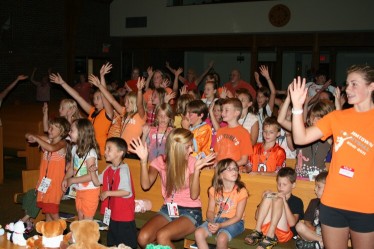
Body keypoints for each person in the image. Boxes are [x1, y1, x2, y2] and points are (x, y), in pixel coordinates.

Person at [289, 65, 374, 249]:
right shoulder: (337, 117)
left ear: (371, 86)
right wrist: (297, 107)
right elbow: (300, 137)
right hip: (333, 202)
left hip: (366, 204)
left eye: (354, 84)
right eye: (347, 84)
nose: (347, 89)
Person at [129, 128, 216, 249]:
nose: (191, 150)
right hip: (168, 209)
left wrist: (196, 171)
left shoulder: (192, 162)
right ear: (176, 148)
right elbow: (145, 185)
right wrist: (143, 161)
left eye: (191, 146)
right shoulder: (160, 161)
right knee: (143, 238)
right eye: (188, 147)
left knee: (162, 236)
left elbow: (194, 195)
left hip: (190, 212)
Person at [49, 63, 113, 155]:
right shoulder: (92, 111)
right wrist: (62, 83)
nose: (95, 100)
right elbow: (78, 97)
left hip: (101, 152)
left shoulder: (108, 113)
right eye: (94, 98)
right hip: (88, 149)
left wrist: (101, 78)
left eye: (98, 98)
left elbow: (105, 95)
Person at [89, 137, 137, 248]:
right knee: (112, 243)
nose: (105, 152)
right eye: (105, 149)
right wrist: (92, 172)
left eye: (109, 149)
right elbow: (97, 182)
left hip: (124, 216)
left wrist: (107, 193)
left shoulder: (124, 169)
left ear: (120, 153)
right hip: (113, 214)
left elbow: (126, 191)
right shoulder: (109, 168)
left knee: (126, 245)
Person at [194, 158, 248, 249]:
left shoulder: (241, 191)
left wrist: (220, 225)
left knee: (221, 238)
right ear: (221, 175)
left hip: (235, 222)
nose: (234, 171)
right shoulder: (213, 190)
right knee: (198, 233)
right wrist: (211, 222)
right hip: (217, 219)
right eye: (229, 169)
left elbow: (238, 217)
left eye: (235, 168)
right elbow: (210, 211)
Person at [244, 167, 304, 249]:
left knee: (278, 200)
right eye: (279, 184)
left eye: (284, 184)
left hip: (283, 234)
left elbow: (292, 223)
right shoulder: (273, 196)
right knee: (269, 195)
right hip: (265, 230)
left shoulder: (297, 201)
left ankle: (270, 236)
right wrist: (263, 199)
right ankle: (257, 231)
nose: (281, 187)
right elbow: (257, 217)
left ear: (293, 185)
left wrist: (284, 202)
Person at [89, 71, 146, 155]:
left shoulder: (140, 115)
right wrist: (99, 85)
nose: (125, 104)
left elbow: (140, 104)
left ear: (134, 103)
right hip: (121, 151)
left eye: (128, 102)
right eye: (125, 101)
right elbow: (111, 100)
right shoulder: (124, 112)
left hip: (132, 152)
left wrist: (140, 90)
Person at [25, 117, 70, 221]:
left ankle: (63, 233)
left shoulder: (63, 144)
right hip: (44, 183)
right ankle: (48, 235)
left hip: (55, 184)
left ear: (61, 131)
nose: (49, 130)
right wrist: (32, 137)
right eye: (49, 127)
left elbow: (52, 148)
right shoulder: (48, 140)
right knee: (47, 212)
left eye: (52, 128)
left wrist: (37, 139)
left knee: (53, 211)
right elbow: (27, 135)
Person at [62, 118, 100, 220]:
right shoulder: (74, 148)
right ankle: (80, 236)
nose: (69, 133)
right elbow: (71, 169)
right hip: (79, 190)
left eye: (72, 131)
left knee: (87, 222)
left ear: (81, 133)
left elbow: (90, 176)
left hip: (90, 191)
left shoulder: (91, 153)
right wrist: (65, 179)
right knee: (80, 218)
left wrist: (72, 180)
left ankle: (88, 236)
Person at [213, 98, 253, 168]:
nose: (222, 113)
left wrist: (227, 167)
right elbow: (216, 154)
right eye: (222, 110)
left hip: (232, 171)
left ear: (236, 113)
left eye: (226, 110)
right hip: (220, 170)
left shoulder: (243, 133)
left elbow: (244, 160)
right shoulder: (220, 131)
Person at [295, 171, 327, 249]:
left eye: (318, 187)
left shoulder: (334, 205)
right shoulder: (314, 202)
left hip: (328, 235)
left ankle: (316, 244)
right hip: (314, 234)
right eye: (315, 186)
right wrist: (314, 230)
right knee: (299, 226)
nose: (315, 189)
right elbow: (307, 221)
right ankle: (320, 243)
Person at [254, 65, 276, 143]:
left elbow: (273, 92)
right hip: (255, 141)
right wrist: (258, 82)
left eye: (262, 97)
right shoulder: (253, 109)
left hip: (266, 140)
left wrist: (267, 78)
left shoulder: (268, 108)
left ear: (267, 98)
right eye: (258, 96)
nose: (259, 99)